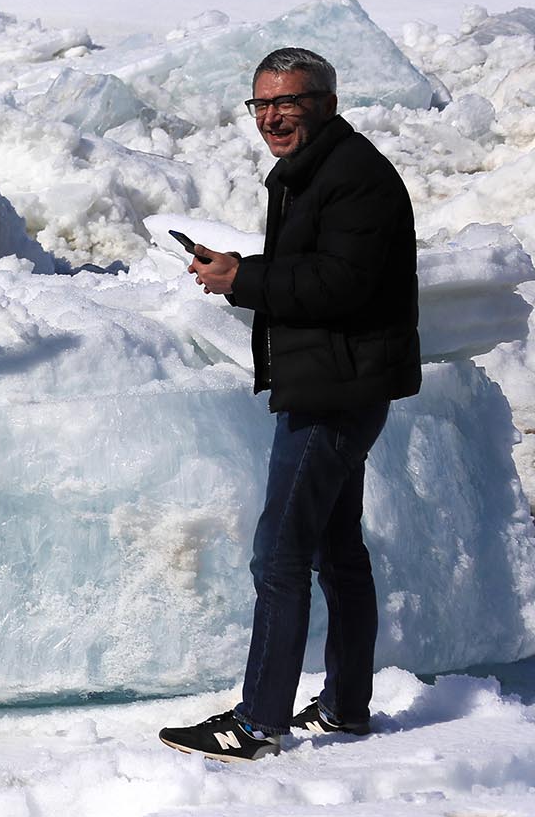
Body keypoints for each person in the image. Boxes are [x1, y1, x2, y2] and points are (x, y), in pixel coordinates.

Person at [159, 47, 420, 763]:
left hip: (337, 389)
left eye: (289, 103)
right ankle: (344, 706)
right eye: (262, 104)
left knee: (280, 551)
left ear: (326, 104)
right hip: (332, 379)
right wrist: (244, 271)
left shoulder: (354, 178)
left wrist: (244, 277)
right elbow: (317, 270)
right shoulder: (312, 172)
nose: (272, 116)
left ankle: (257, 721)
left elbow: (342, 285)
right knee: (337, 549)